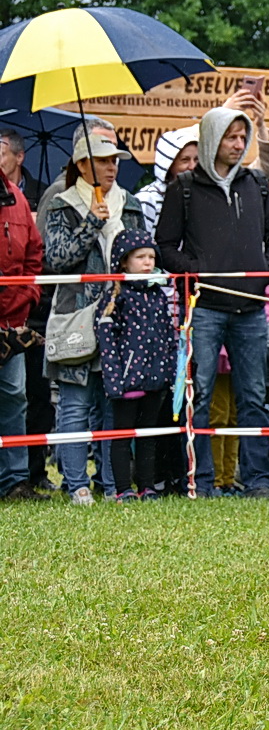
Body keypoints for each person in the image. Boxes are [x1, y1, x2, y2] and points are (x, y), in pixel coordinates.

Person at [156, 106, 269, 499]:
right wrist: (197, 271)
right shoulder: (182, 187)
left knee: (253, 397)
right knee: (198, 396)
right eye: (230, 137)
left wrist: (264, 271)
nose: (238, 144)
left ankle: (258, 480)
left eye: (242, 137)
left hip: (251, 309)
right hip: (205, 309)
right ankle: (201, 480)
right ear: (213, 138)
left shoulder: (256, 184)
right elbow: (166, 247)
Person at [41, 129, 146, 504]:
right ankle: (76, 483)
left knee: (111, 404)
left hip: (121, 317)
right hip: (76, 317)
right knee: (74, 404)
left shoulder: (130, 203)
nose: (112, 166)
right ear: (82, 164)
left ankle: (110, 481)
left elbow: (144, 256)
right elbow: (56, 259)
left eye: (115, 159)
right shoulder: (61, 204)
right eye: (103, 160)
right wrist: (91, 223)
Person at [94, 231, 177, 501]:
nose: (147, 262)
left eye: (151, 257)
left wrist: (169, 372)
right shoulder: (115, 297)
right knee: (122, 435)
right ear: (123, 262)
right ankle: (122, 489)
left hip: (156, 379)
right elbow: (106, 344)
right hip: (128, 380)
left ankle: (147, 486)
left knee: (148, 435)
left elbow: (168, 336)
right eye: (140, 257)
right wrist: (115, 381)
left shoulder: (158, 296)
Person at [0, 153, 44, 500]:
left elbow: (34, 254)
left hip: (12, 321)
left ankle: (15, 480)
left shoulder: (17, 196)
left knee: (15, 398)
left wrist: (29, 294)